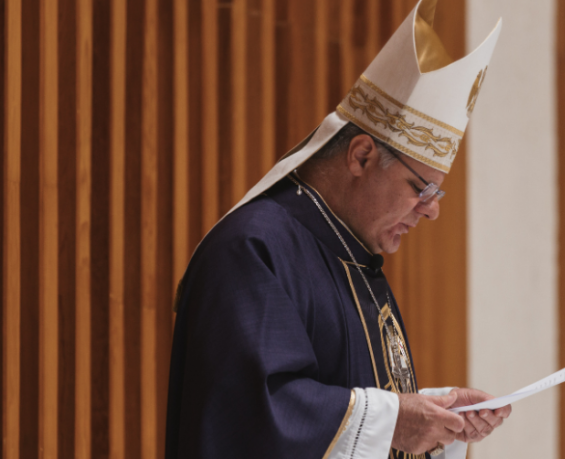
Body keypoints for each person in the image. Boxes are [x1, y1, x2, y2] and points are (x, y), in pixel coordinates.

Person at [164, 1, 507, 458]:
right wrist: (394, 422)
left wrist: (432, 415)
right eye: (421, 188)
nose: (431, 212)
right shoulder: (253, 250)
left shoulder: (354, 259)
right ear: (361, 155)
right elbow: (255, 417)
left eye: (437, 194)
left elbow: (353, 401)